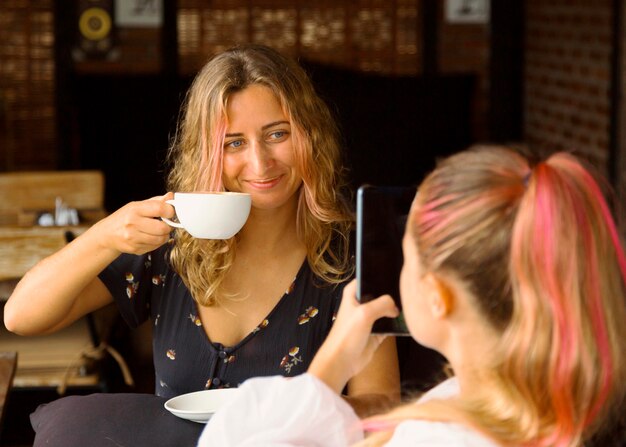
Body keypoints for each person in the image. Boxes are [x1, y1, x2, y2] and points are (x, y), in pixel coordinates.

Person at [3, 44, 400, 415]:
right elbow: (22, 317)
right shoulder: (171, 245)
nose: (260, 164)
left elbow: (381, 402)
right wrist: (103, 235)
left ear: (311, 135)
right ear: (207, 152)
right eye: (233, 143)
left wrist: (278, 419)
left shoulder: (351, 257)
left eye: (277, 134)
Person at [197, 145, 626, 446]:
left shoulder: (438, 436)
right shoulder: (527, 408)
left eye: (407, 260)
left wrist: (328, 367)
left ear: (436, 295)